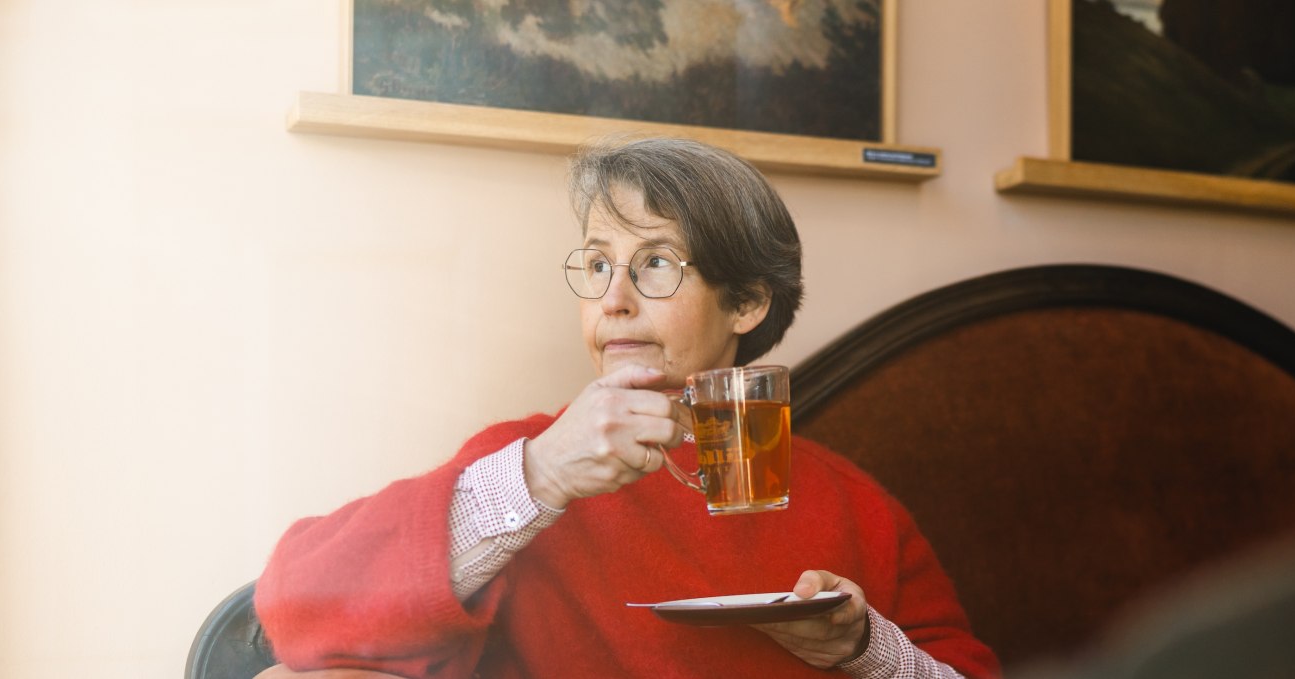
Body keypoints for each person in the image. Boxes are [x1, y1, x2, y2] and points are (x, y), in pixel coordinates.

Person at [253, 137, 1000, 679]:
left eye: (656, 264)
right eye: (600, 262)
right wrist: (541, 478)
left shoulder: (854, 505)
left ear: (745, 301)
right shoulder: (523, 456)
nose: (612, 300)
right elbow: (293, 605)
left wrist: (861, 647)